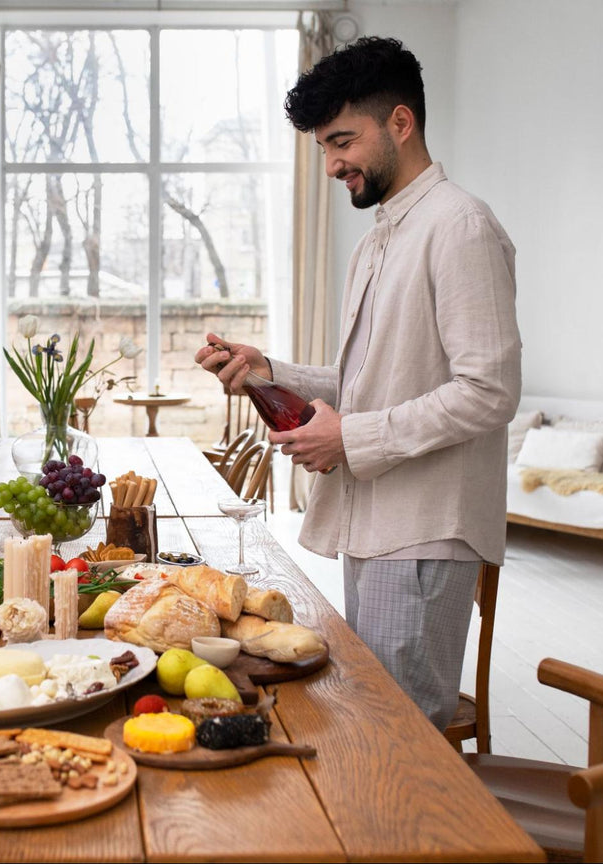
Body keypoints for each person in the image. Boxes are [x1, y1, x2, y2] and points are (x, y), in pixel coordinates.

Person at [195, 36, 520, 729]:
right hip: (374, 522)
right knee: (370, 722)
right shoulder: (380, 238)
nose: (332, 163)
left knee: (400, 736)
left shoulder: (460, 226)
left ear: (400, 123)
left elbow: (490, 390)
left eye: (343, 141)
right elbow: (366, 381)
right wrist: (267, 371)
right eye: (322, 148)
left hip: (428, 529)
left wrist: (349, 437)